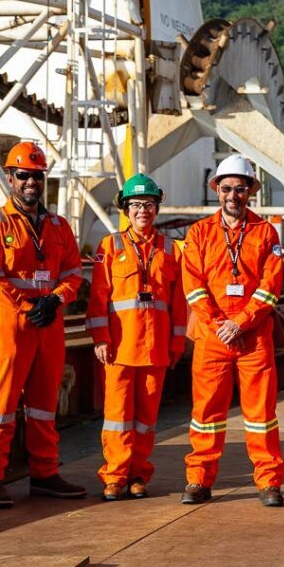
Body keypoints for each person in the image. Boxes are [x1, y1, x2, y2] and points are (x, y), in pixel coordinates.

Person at [0, 141, 88, 508]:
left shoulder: (58, 226)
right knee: (1, 403)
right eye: (23, 176)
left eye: (37, 177)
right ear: (10, 178)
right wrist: (28, 305)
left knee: (44, 404)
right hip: (10, 324)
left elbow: (73, 271)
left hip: (49, 322)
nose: (30, 183)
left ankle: (44, 474)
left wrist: (55, 299)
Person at [180, 154, 284, 507]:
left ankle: (269, 481)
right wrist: (220, 324)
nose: (233, 196)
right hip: (213, 335)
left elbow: (271, 285)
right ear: (217, 191)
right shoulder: (199, 233)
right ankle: (198, 479)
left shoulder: (265, 232)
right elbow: (193, 285)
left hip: (252, 335)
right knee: (206, 413)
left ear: (250, 192)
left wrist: (240, 323)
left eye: (240, 189)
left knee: (261, 414)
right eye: (226, 189)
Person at [87, 174, 186, 500]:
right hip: (118, 348)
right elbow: (98, 297)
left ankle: (138, 474)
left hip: (155, 347)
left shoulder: (171, 249)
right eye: (136, 205)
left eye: (148, 205)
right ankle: (114, 476)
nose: (142, 210)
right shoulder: (110, 246)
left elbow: (178, 302)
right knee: (117, 417)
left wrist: (176, 343)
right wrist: (100, 338)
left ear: (156, 208)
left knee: (145, 419)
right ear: (126, 210)